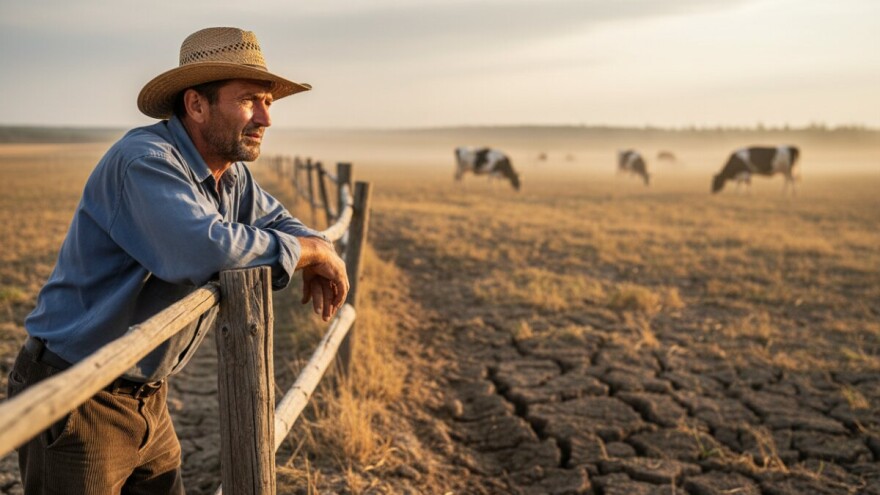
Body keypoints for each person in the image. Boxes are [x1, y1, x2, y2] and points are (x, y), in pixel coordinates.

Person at [6, 26, 348, 494]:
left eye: (269, 102)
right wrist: (311, 252)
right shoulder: (145, 160)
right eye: (250, 99)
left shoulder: (229, 176)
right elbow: (205, 250)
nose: (266, 118)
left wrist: (311, 245)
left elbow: (284, 223)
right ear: (196, 104)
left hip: (147, 396)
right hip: (77, 393)